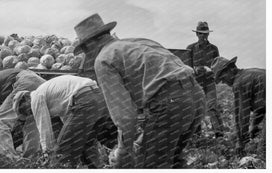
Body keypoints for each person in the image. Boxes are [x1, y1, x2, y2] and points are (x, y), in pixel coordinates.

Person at [72, 13, 205, 169]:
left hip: (170, 102)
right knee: (173, 158)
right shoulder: (138, 42)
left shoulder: (103, 60)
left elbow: (125, 117)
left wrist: (123, 152)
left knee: (151, 164)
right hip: (196, 95)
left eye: (85, 50)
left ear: (90, 44)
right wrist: (140, 143)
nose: (87, 55)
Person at [13, 75, 110, 168]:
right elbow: (68, 122)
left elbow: (44, 128)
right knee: (87, 145)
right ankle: (99, 167)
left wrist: (47, 155)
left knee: (63, 151)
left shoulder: (35, 96)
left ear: (25, 98)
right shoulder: (53, 95)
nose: (28, 113)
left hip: (85, 101)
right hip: (100, 99)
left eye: (23, 109)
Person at [0, 69, 46, 160]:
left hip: (26, 82)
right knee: (32, 122)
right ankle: (31, 158)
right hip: (42, 84)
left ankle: (8, 159)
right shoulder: (0, 81)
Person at [211, 56, 266, 157]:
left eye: (223, 78)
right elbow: (262, 106)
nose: (223, 82)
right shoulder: (250, 73)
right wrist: (254, 125)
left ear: (231, 69)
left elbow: (242, 115)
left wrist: (240, 141)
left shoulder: (239, 83)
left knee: (263, 150)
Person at [186, 21, 224, 137]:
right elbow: (187, 67)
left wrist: (210, 70)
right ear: (197, 34)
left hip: (209, 81)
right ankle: (196, 135)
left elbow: (217, 65)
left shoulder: (214, 49)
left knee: (212, 106)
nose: (203, 36)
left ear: (208, 34)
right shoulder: (190, 48)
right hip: (196, 82)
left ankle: (219, 134)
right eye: (201, 33)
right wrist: (196, 69)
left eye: (205, 34)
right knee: (197, 108)